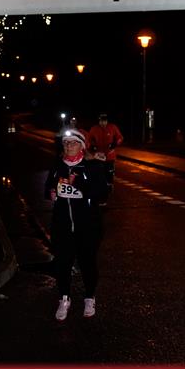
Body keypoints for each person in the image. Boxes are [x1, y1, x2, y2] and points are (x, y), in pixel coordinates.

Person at [45, 128, 107, 321]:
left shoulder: (92, 166)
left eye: (73, 142)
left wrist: (78, 184)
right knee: (62, 264)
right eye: (66, 142)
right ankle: (64, 298)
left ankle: (89, 297)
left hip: (87, 226)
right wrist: (52, 192)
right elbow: (48, 187)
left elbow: (102, 194)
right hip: (62, 226)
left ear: (82, 146)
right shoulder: (57, 165)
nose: (69, 145)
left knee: (87, 263)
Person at [88, 113, 124, 198]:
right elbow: (89, 139)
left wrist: (115, 144)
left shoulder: (113, 127)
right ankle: (100, 187)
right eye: (101, 121)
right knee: (99, 172)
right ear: (99, 121)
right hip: (99, 155)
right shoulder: (94, 128)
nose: (103, 123)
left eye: (104, 121)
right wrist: (92, 145)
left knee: (109, 172)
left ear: (107, 121)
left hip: (110, 155)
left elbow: (120, 137)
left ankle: (109, 186)